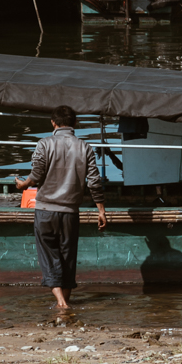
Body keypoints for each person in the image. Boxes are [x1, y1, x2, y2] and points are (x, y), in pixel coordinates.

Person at [12, 107, 108, 310]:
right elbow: (94, 182)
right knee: (68, 256)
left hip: (45, 210)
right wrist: (101, 210)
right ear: (75, 124)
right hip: (71, 213)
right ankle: (66, 301)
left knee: (49, 255)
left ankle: (61, 303)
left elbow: (36, 176)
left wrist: (23, 185)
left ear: (53, 123)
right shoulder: (85, 147)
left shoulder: (44, 144)